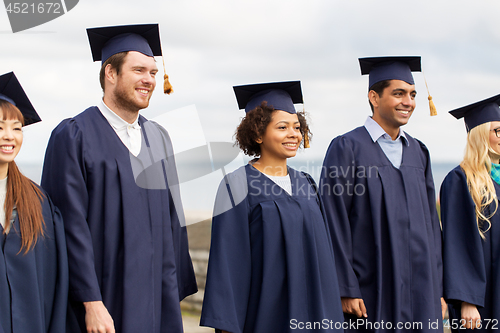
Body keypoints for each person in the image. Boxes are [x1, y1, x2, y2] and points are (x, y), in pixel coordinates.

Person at [41, 24, 197, 333]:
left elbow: (171, 220)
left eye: (153, 72)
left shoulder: (158, 137)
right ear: (110, 73)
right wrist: (90, 302)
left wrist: (172, 293)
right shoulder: (73, 135)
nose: (149, 80)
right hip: (102, 303)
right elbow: (69, 226)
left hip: (156, 300)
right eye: (139, 70)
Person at [200, 81, 344, 333]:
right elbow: (227, 260)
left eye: (297, 128)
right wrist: (227, 325)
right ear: (257, 134)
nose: (294, 134)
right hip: (266, 314)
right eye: (282, 127)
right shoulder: (237, 184)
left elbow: (323, 257)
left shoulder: (306, 183)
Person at [319, 57, 443, 332]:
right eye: (398, 93)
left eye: (412, 95)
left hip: (420, 290)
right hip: (370, 287)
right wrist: (345, 287)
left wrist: (439, 285)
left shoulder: (418, 152)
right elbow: (333, 220)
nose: (408, 102)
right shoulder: (347, 148)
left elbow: (432, 227)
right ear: (374, 97)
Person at [0, 71, 68, 333]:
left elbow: (53, 283)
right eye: (0, 127)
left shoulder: (36, 201)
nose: (9, 136)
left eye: (16, 128)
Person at [440, 94, 500, 332]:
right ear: (480, 135)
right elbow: (458, 243)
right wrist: (467, 301)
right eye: (498, 131)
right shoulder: (461, 180)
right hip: (483, 298)